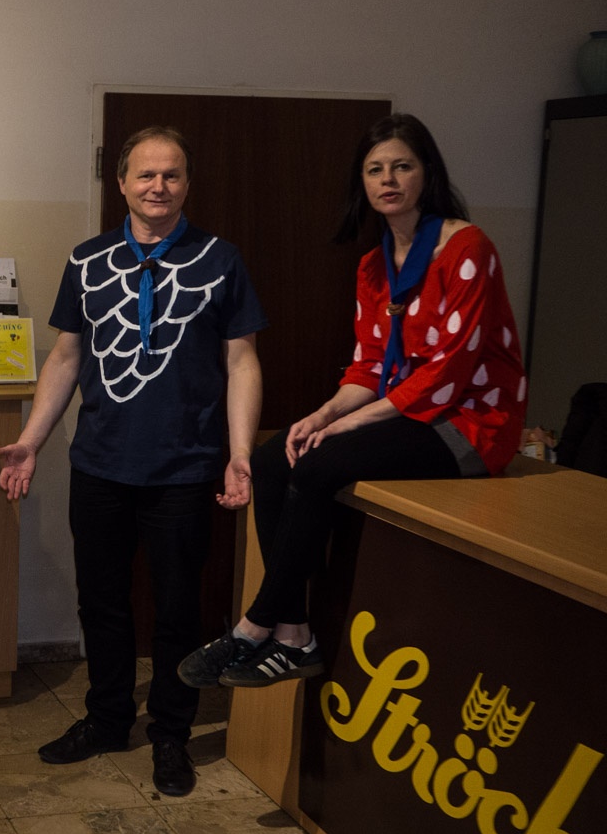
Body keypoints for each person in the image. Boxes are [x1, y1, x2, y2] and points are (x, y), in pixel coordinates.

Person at [178, 113, 527, 689]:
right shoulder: (373, 265)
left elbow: (449, 371)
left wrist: (351, 425)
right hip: (404, 414)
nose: (388, 179)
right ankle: (295, 635)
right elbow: (369, 366)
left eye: (402, 166)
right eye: (375, 169)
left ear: (426, 172)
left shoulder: (467, 247)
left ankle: (254, 624)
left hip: (468, 425)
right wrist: (322, 415)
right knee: (275, 456)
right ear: (361, 183)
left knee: (319, 462)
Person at [0, 126, 265, 798]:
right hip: (100, 465)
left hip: (184, 469)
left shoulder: (221, 260)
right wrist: (31, 439)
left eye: (171, 175)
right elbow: (66, 357)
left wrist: (238, 453)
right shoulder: (87, 260)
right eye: (145, 174)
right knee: (102, 603)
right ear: (121, 183)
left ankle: (171, 733)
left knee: (177, 610)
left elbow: (241, 361)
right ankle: (108, 718)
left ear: (187, 184)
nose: (158, 186)